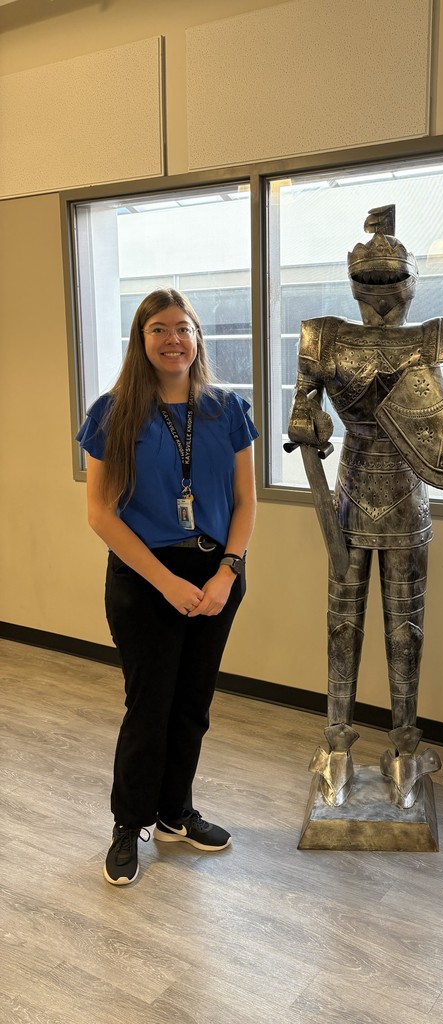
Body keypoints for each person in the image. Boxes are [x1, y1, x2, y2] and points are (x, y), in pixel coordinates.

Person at [287, 205, 443, 807]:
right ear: (353, 284)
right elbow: (301, 414)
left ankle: (403, 746)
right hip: (348, 493)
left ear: (410, 281)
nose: (380, 294)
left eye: (389, 281)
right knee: (343, 624)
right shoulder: (322, 335)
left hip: (408, 493)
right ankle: (338, 743)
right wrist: (312, 423)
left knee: (405, 629)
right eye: (369, 283)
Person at [77, 288, 258, 886]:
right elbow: (101, 514)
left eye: (183, 328)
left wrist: (227, 572)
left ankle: (176, 812)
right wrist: (166, 583)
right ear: (141, 339)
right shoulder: (113, 411)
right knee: (149, 708)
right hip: (143, 576)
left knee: (192, 707)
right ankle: (129, 824)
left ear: (198, 338)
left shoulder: (226, 409)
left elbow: (245, 501)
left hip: (216, 574)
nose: (173, 339)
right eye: (159, 329)